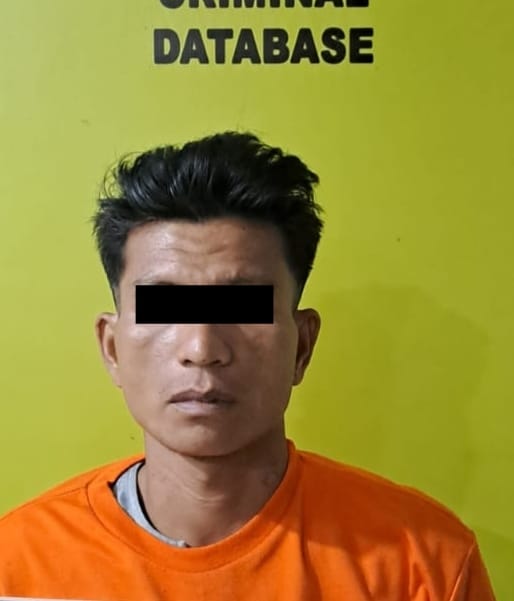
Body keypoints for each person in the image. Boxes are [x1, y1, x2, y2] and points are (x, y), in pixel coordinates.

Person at [0, 131, 495, 599]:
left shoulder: (425, 564)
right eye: (164, 308)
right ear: (112, 348)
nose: (202, 347)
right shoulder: (17, 566)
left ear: (302, 347)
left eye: (242, 306)